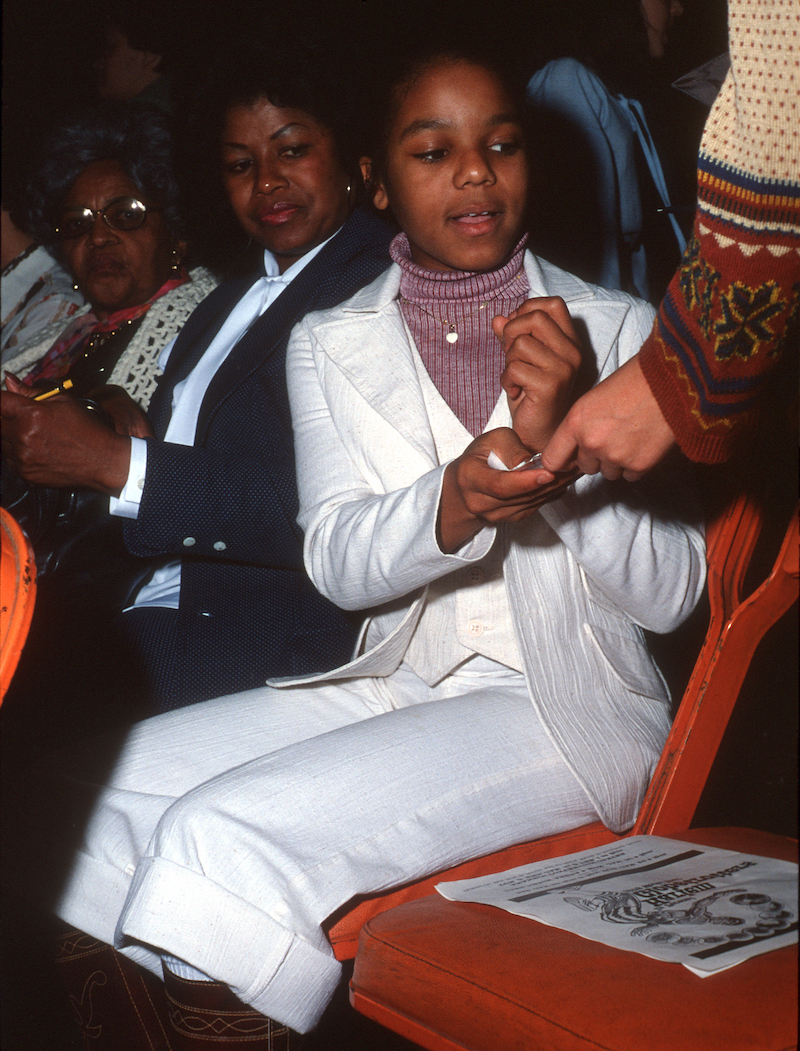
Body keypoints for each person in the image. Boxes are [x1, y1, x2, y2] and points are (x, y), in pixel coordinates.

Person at [30, 43, 705, 1048]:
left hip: (566, 707)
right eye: (432, 152)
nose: (473, 172)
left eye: (500, 145)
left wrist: (562, 449)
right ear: (379, 186)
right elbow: (339, 559)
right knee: (69, 800)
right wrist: (454, 501)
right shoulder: (330, 338)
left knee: (218, 842)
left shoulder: (618, 327)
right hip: (397, 673)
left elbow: (670, 597)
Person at [2, 36, 395, 715]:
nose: (266, 180)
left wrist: (117, 463)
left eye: (292, 150)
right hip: (131, 601)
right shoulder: (229, 301)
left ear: (357, 161)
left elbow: (331, 511)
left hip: (253, 635)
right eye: (241, 163)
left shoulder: (377, 286)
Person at [541, 0, 800, 479]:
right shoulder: (567, 80)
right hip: (627, 328)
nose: (679, 8)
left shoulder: (628, 95)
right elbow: (591, 236)